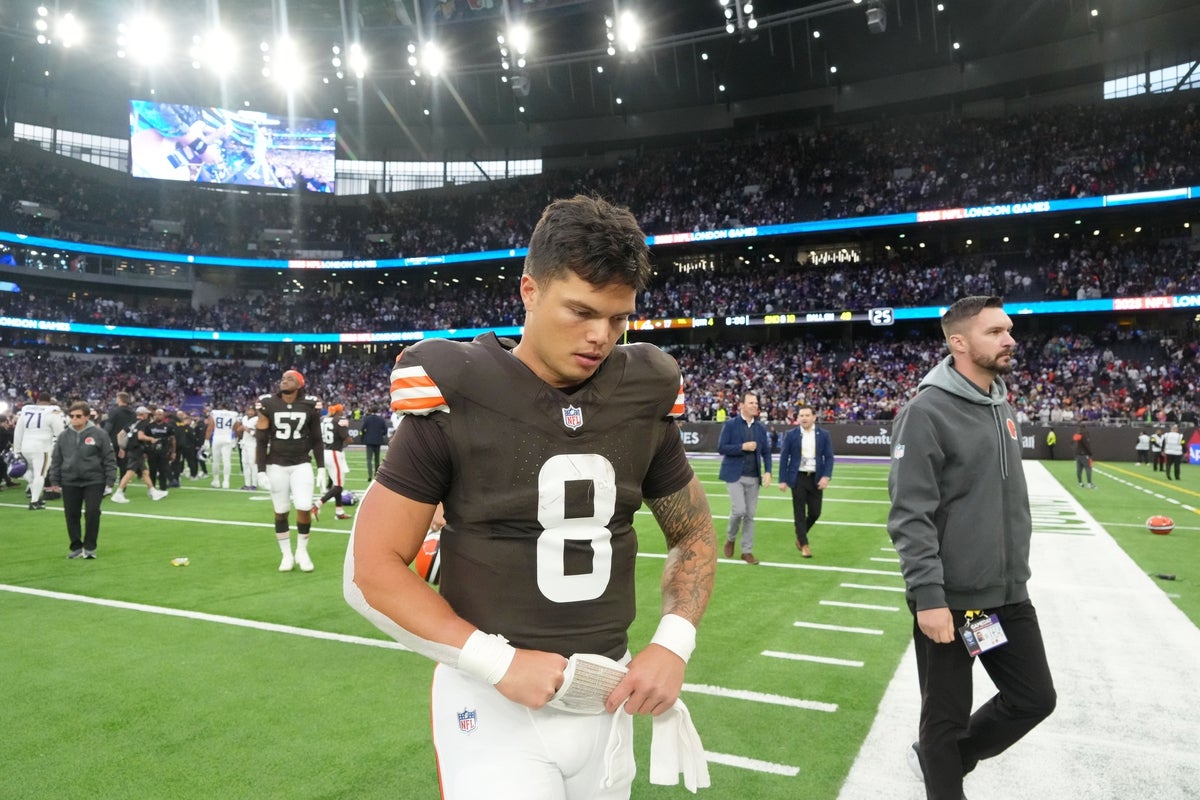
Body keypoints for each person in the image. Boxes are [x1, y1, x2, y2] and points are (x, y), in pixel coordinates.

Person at [344, 195, 716, 800]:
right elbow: (371, 570)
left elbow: (693, 532)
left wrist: (673, 642)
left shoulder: (644, 387)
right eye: (581, 311)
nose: (601, 336)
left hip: (605, 696)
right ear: (529, 290)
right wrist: (497, 662)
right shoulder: (457, 387)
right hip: (493, 703)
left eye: (619, 319)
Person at [887, 296, 1056, 800]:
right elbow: (909, 514)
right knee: (945, 718)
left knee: (1033, 698)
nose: (1010, 339)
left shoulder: (1002, 405)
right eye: (995, 332)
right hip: (952, 600)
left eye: (1009, 330)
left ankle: (947, 761)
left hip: (1005, 596)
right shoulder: (925, 412)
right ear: (958, 343)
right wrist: (930, 596)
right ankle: (944, 765)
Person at [255, 369, 324, 572]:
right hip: (276, 464)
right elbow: (261, 439)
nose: (284, 381)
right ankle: (286, 554)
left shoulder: (310, 404)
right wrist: (260, 470)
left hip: (302, 463)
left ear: (300, 384)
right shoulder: (268, 403)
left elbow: (317, 439)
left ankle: (302, 551)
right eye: (283, 378)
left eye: (290, 378)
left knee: (303, 506)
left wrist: (321, 467)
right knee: (281, 511)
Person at [48, 402, 118, 559]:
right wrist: (54, 480)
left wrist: (110, 480)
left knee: (93, 512)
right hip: (69, 480)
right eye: (71, 416)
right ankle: (76, 546)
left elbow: (109, 458)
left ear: (87, 417)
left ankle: (90, 547)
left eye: (78, 416)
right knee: (71, 515)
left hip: (94, 479)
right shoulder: (63, 436)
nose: (74, 419)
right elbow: (56, 459)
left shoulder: (100, 435)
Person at [717, 391, 772, 565]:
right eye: (751, 403)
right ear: (741, 405)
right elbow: (721, 448)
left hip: (753, 475)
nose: (755, 405)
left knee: (750, 515)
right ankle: (730, 538)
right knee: (739, 510)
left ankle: (746, 551)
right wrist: (742, 447)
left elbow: (766, 452)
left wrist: (768, 471)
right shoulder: (731, 425)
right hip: (734, 474)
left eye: (756, 403)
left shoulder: (760, 428)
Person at [778, 403, 835, 558]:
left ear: (814, 417)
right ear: (797, 418)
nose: (804, 418)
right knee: (799, 513)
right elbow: (784, 458)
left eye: (807, 415)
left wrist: (826, 476)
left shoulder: (823, 435)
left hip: (816, 478)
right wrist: (782, 479)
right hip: (798, 477)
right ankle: (804, 544)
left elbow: (829, 457)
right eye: (801, 415)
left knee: (816, 512)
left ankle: (800, 536)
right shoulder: (791, 435)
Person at [13, 396, 66, 510]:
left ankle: (34, 496)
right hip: (41, 447)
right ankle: (34, 502)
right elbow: (59, 432)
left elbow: (18, 430)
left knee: (30, 473)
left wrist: (16, 449)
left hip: (25, 446)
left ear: (37, 402)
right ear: (50, 402)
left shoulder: (27, 410)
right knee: (40, 474)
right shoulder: (52, 411)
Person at [111, 406, 170, 503]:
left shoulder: (132, 423)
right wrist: (151, 439)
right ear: (143, 414)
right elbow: (140, 436)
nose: (147, 415)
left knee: (145, 472)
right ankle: (118, 493)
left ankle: (153, 492)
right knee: (130, 472)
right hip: (137, 450)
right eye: (146, 413)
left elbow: (119, 434)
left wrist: (121, 447)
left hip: (131, 450)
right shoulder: (143, 423)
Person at [318, 403, 353, 520]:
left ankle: (339, 512)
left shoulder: (323, 419)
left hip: (325, 451)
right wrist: (349, 440)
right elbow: (346, 438)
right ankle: (317, 504)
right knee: (338, 486)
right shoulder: (340, 420)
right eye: (341, 410)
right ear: (338, 411)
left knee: (337, 483)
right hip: (334, 453)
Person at [206, 402, 240, 490]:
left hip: (217, 438)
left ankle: (216, 481)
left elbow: (210, 427)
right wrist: (235, 439)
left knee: (216, 461)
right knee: (227, 461)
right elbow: (236, 428)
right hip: (227, 438)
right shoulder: (233, 414)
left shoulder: (215, 413)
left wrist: (206, 440)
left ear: (221, 407)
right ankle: (226, 482)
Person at [103, 392, 136, 475]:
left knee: (108, 464)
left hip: (113, 442)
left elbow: (108, 427)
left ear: (120, 399)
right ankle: (122, 486)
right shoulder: (133, 413)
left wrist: (103, 438)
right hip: (127, 442)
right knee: (124, 466)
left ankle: (108, 484)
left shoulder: (114, 411)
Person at [144, 407, 176, 493]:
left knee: (163, 470)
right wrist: (144, 451)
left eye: (160, 414)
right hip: (151, 451)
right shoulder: (149, 426)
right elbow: (144, 439)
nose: (158, 416)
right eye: (157, 414)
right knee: (152, 470)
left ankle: (163, 488)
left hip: (164, 451)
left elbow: (173, 439)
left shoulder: (168, 426)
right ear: (154, 415)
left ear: (163, 415)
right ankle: (152, 489)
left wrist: (173, 452)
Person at [359, 406, 389, 481]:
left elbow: (362, 429)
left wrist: (364, 437)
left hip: (369, 441)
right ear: (378, 410)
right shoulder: (381, 419)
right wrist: (379, 434)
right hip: (378, 441)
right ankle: (376, 475)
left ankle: (369, 475)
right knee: (377, 459)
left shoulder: (367, 418)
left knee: (369, 459)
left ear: (370, 410)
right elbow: (385, 431)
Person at [237, 403, 260, 490]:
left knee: (253, 464)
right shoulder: (244, 418)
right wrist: (239, 431)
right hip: (244, 443)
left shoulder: (257, 419)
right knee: (245, 463)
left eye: (251, 410)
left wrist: (248, 430)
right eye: (248, 410)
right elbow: (240, 432)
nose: (249, 412)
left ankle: (254, 484)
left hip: (253, 444)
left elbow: (259, 434)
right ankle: (247, 483)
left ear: (255, 411)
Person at [1073, 423, 1094, 488]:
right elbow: (1086, 444)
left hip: (1078, 454)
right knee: (1088, 468)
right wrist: (1090, 452)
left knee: (1079, 469)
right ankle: (1089, 484)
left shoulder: (1077, 434)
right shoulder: (1084, 434)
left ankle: (1080, 483)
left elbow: (1073, 442)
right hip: (1084, 454)